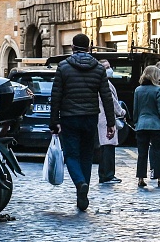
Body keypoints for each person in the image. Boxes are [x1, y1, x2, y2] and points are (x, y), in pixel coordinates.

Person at [49, 33, 116, 211]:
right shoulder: (98, 69)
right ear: (88, 48)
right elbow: (106, 97)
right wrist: (111, 123)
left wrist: (54, 121)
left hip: (69, 117)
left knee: (72, 155)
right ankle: (83, 191)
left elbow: (56, 96)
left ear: (72, 47)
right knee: (87, 155)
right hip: (90, 117)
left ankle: (80, 184)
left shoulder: (63, 67)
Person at [134, 65, 160, 188]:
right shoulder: (158, 90)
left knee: (142, 153)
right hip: (155, 125)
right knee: (158, 152)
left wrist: (136, 122)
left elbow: (136, 109)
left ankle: (140, 178)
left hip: (142, 124)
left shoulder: (138, 90)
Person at [97, 59, 126, 184]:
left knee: (105, 147)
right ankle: (108, 174)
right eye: (106, 67)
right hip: (105, 118)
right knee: (108, 147)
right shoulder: (105, 83)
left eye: (109, 66)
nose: (109, 69)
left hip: (102, 117)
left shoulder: (102, 82)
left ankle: (104, 174)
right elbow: (112, 101)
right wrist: (121, 112)